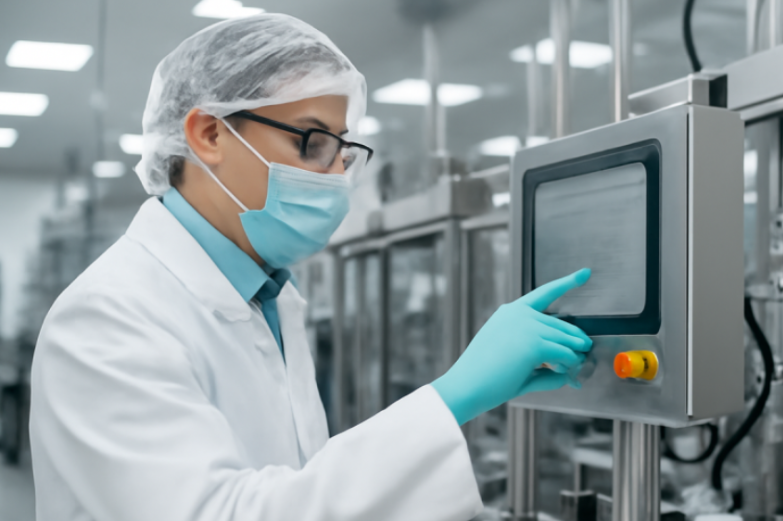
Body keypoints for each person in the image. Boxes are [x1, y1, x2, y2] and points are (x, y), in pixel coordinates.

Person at [29, 14, 592, 521]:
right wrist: (453, 396)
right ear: (209, 134)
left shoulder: (267, 298)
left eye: (341, 152)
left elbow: (296, 490)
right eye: (313, 142)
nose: (333, 176)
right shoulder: (108, 318)